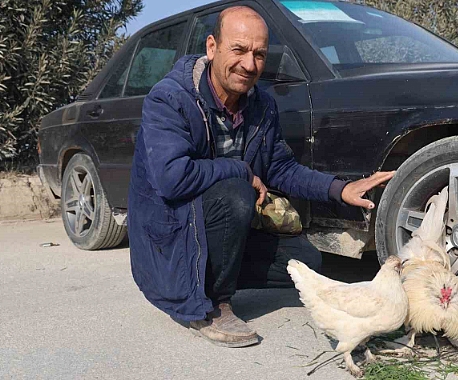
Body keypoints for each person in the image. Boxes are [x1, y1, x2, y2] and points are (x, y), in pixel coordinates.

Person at [128, 6, 394, 348]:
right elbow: (172, 177)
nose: (250, 65)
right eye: (238, 50)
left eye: (259, 54)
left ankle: (206, 276)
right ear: (212, 47)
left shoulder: (261, 105)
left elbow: (280, 168)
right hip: (175, 235)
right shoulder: (170, 99)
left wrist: (339, 189)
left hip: (217, 229)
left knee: (305, 261)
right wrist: (241, 170)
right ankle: (213, 305)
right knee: (237, 193)